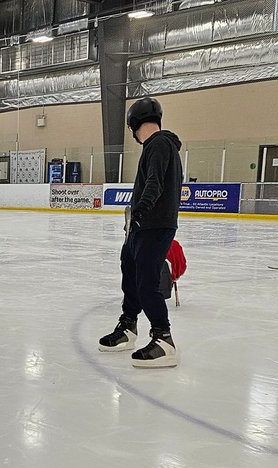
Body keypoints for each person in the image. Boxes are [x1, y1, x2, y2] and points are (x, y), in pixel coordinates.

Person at [99, 97, 182, 368]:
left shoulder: (159, 143)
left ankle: (163, 340)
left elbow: (155, 184)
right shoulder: (156, 146)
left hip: (154, 225)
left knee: (146, 282)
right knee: (131, 274)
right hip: (142, 226)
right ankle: (128, 327)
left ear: (133, 124)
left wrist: (141, 213)